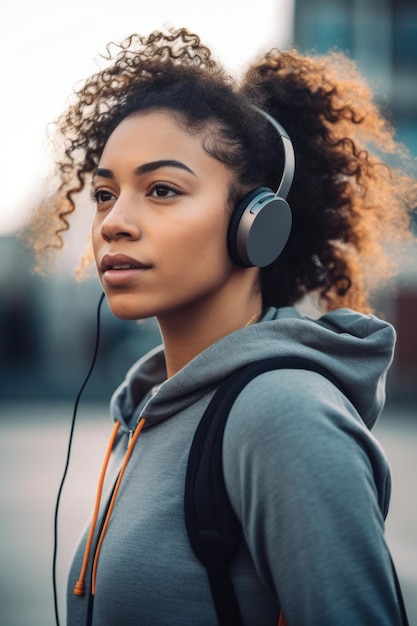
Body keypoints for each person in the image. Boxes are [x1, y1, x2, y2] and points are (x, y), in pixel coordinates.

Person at [27, 27, 417, 625]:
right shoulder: (151, 411)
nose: (113, 223)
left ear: (256, 223)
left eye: (161, 189)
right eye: (105, 194)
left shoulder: (283, 414)